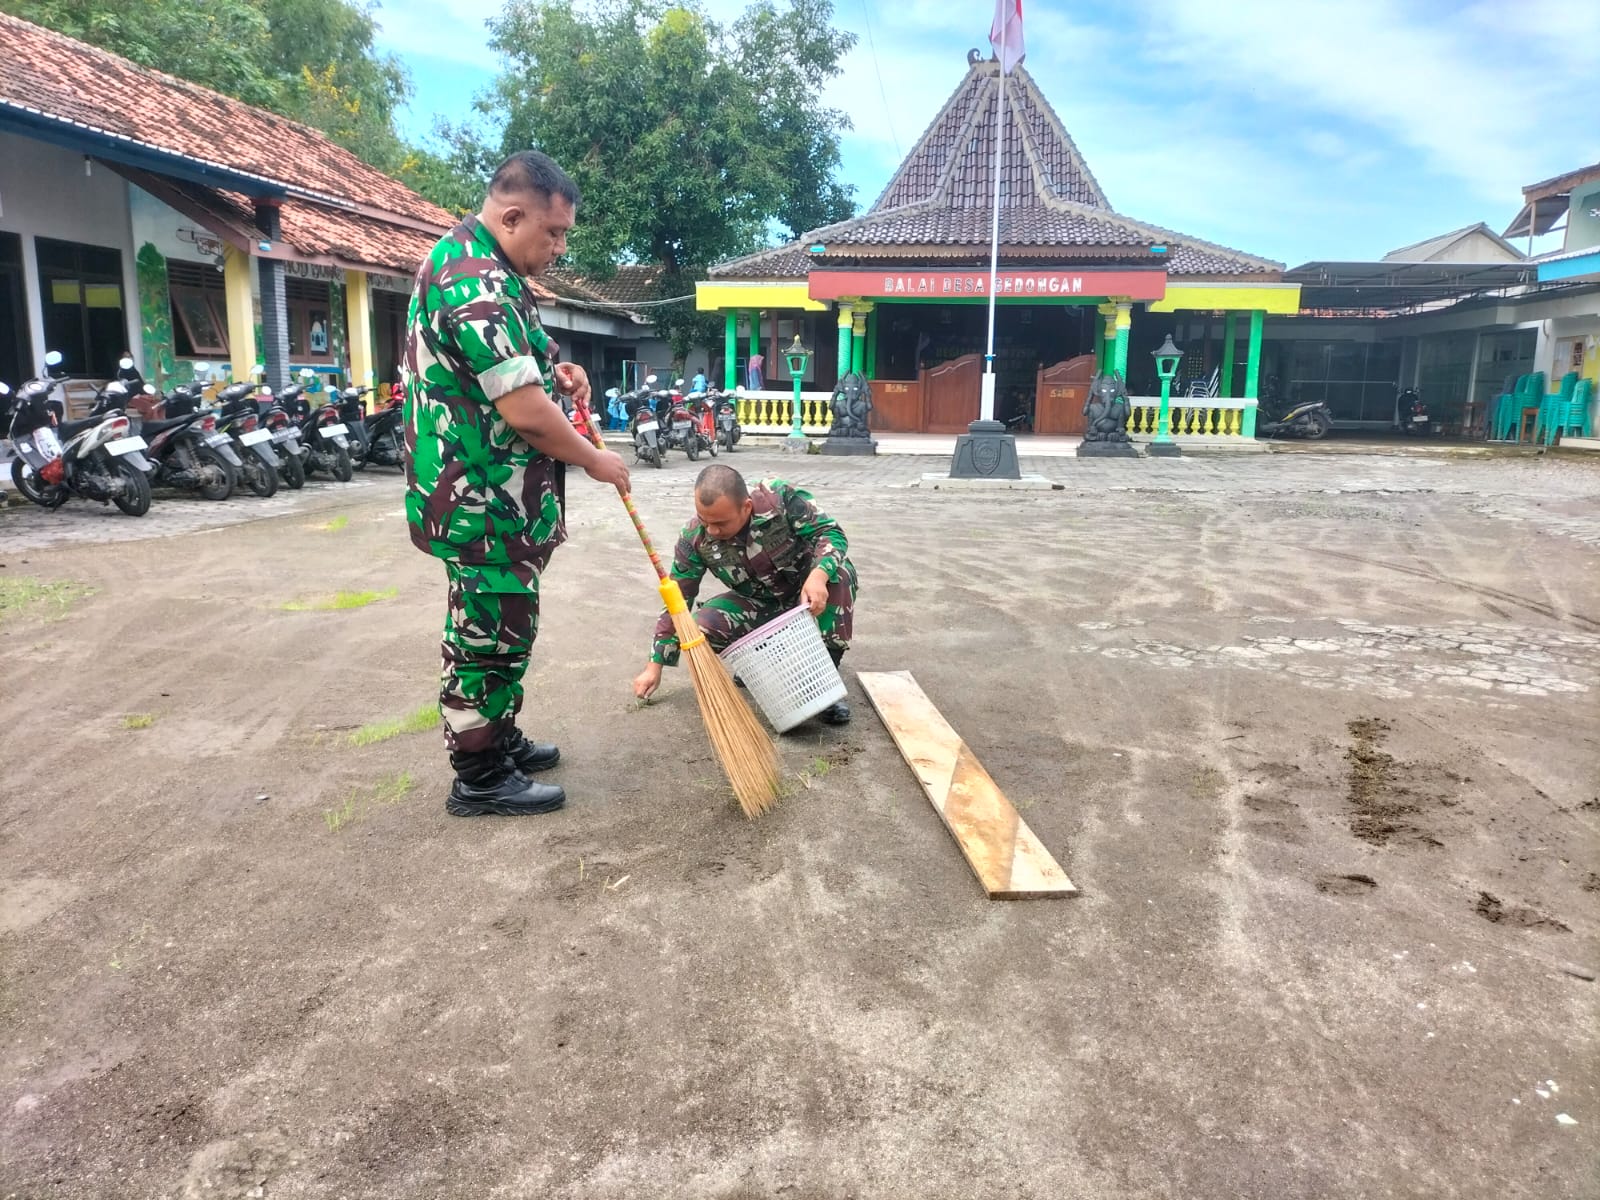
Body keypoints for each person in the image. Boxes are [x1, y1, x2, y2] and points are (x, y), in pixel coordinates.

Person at [403, 149, 630, 818]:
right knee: (487, 632)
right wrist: (594, 457)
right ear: (510, 215)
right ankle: (478, 775)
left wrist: (559, 370)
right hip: (480, 499)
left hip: (496, 499)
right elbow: (524, 412)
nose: (558, 248)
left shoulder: (487, 267)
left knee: (504, 623)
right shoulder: (474, 280)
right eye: (552, 233)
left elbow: (517, 368)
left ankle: (497, 736)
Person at [632, 465, 856, 726]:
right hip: (761, 603)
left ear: (746, 507)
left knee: (839, 575)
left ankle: (823, 686)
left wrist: (819, 574)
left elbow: (831, 533)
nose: (712, 530)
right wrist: (654, 666)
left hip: (806, 595)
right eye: (705, 520)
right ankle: (756, 666)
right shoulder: (694, 537)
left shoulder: (778, 498)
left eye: (720, 523)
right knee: (701, 627)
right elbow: (677, 601)